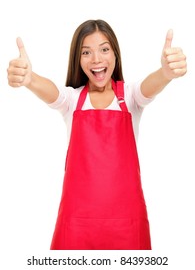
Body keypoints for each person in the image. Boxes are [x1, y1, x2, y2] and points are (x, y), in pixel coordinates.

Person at [7, 19, 187, 250]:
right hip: (76, 224)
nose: (96, 60)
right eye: (86, 52)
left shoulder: (131, 97)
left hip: (127, 224)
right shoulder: (72, 100)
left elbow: (151, 85)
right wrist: (29, 80)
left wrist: (166, 73)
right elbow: (52, 92)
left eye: (104, 49)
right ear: (78, 59)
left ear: (115, 54)